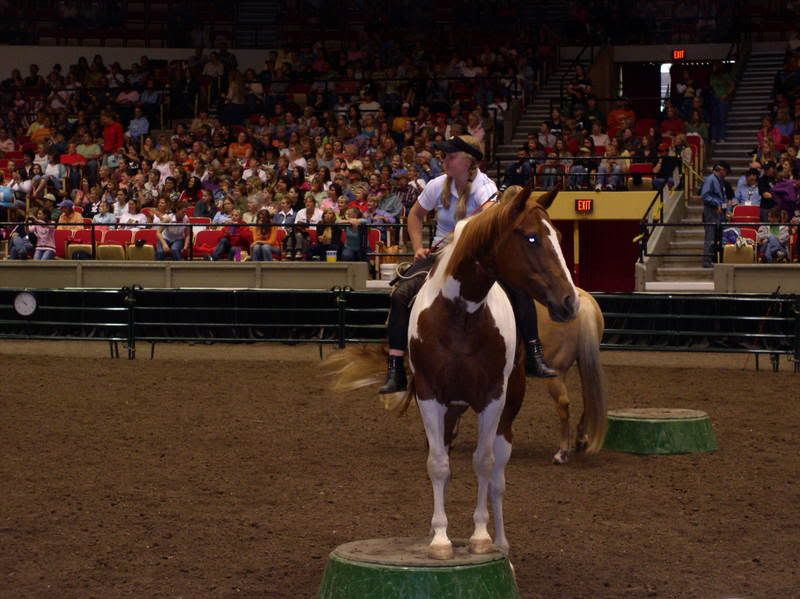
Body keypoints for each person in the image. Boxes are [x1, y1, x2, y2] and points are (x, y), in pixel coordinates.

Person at [379, 135, 556, 394]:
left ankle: (534, 353)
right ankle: (395, 368)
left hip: (478, 258)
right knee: (401, 294)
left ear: (469, 161)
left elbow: (485, 221)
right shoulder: (437, 185)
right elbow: (415, 215)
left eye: (451, 156)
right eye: (445, 156)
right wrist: (417, 247)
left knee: (519, 289)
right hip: (440, 254)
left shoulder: (486, 187)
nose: (445, 161)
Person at [700, 162, 730, 268]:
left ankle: (714, 259)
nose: (726, 174)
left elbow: (723, 197)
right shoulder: (710, 179)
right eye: (725, 171)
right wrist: (717, 204)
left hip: (719, 213)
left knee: (717, 238)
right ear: (721, 170)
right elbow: (704, 195)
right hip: (711, 212)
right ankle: (707, 260)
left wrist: (726, 210)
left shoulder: (720, 181)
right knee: (710, 237)